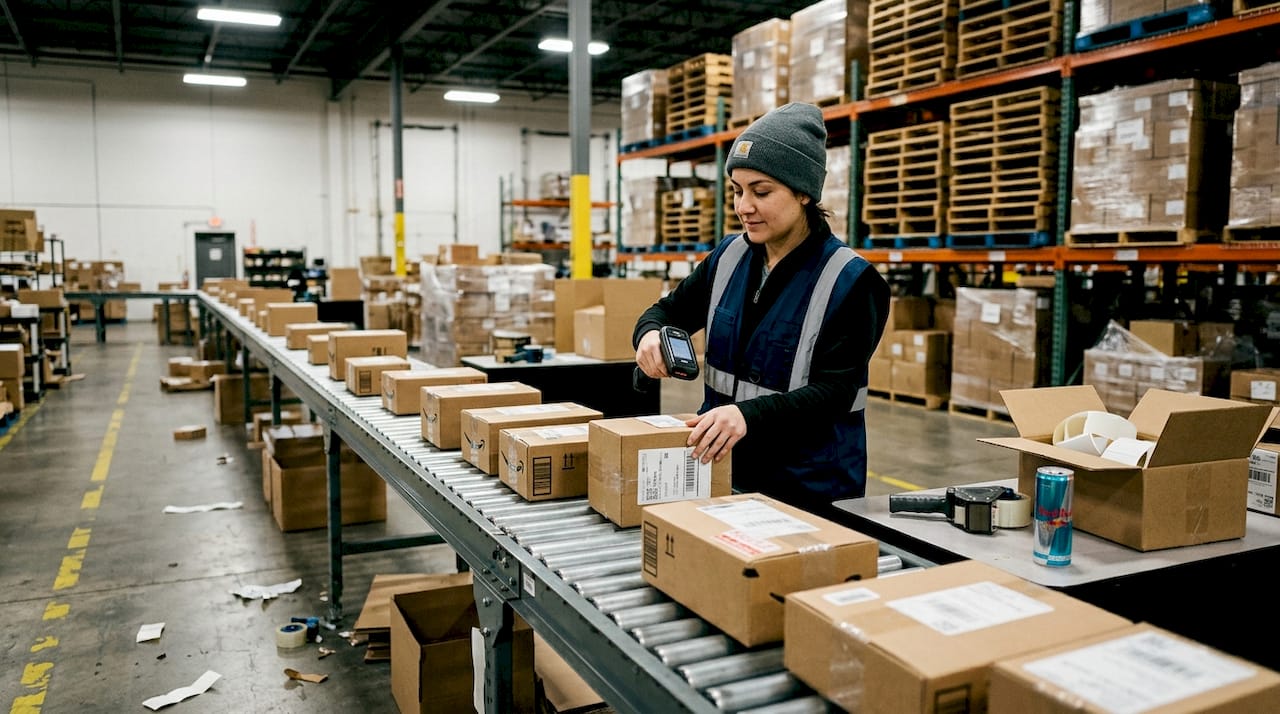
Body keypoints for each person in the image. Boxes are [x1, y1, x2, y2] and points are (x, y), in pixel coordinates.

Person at [632, 102, 889, 515]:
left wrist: (747, 415)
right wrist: (648, 335)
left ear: (804, 192)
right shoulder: (729, 257)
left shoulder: (852, 281)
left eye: (761, 191)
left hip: (810, 486)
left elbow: (834, 392)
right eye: (737, 190)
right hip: (724, 469)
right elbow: (667, 311)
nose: (743, 206)